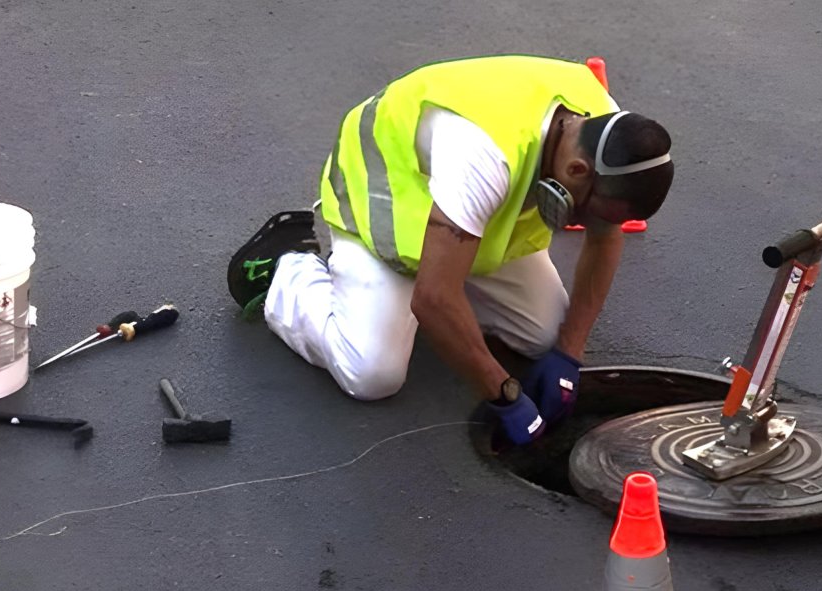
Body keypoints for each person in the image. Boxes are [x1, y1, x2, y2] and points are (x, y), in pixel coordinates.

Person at [228, 55, 673, 445]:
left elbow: (605, 236)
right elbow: (434, 297)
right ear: (576, 170)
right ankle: (289, 271)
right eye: (589, 211)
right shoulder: (483, 155)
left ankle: (432, 306)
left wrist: (569, 353)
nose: (588, 223)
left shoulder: (606, 128)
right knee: (372, 373)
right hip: (383, 214)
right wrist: (503, 394)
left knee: (546, 336)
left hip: (468, 227)